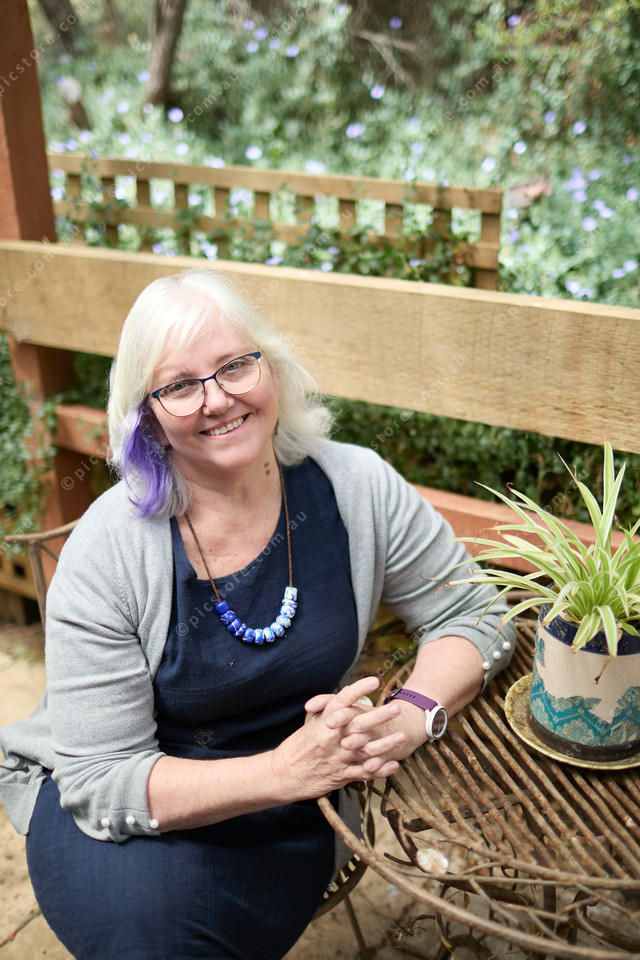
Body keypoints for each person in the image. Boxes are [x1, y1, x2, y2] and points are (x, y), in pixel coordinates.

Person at [0, 268, 514, 960]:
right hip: (131, 814)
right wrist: (283, 771)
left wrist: (412, 713)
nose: (217, 399)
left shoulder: (355, 486)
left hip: (292, 813)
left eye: (235, 366)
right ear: (147, 415)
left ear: (271, 367)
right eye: (180, 385)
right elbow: (100, 780)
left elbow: (474, 610)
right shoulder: (109, 549)